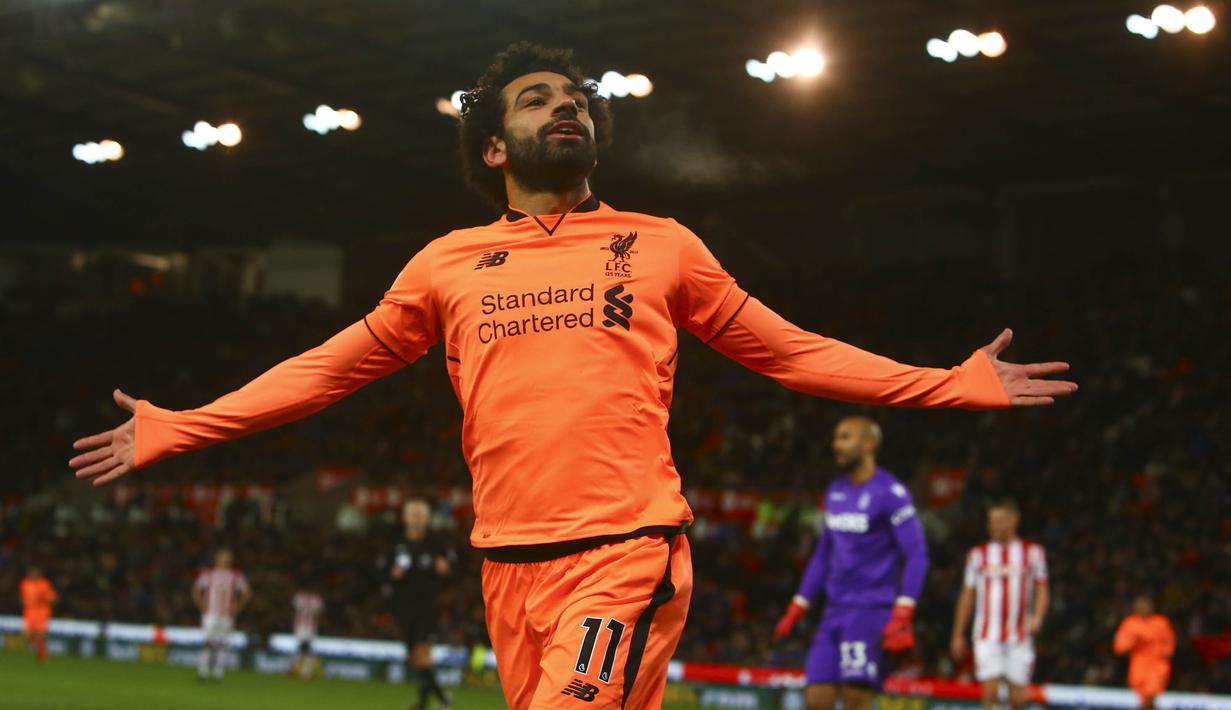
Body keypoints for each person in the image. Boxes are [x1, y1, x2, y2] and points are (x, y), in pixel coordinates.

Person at [69, 42, 1076, 709]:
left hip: (624, 547)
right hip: (507, 564)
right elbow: (328, 367)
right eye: (540, 99)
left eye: (577, 98)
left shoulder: (661, 244)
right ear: (495, 144)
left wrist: (948, 382)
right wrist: (184, 423)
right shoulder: (445, 263)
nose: (570, 106)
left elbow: (790, 347)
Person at [772, 417, 928, 710]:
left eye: (845, 438)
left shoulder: (891, 493)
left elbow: (917, 553)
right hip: (834, 611)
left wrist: (905, 608)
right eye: (836, 438)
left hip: (871, 610)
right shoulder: (835, 491)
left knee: (856, 699)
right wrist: (800, 603)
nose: (836, 445)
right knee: (816, 699)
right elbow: (823, 553)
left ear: (869, 444)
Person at [950, 499, 1049, 710]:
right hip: (987, 634)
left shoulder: (1033, 553)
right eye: (991, 521)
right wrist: (958, 633)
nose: (994, 526)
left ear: (1014, 521)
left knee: (1018, 700)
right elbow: (967, 595)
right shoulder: (977, 555)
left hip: (1020, 635)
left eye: (1000, 520)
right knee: (990, 694)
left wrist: (1038, 616)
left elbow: (1042, 588)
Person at [384, 499, 452, 710]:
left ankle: (438, 700)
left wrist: (445, 569)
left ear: (427, 518)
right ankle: (435, 699)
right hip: (404, 607)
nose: (416, 518)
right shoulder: (396, 544)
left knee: (422, 653)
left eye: (420, 514)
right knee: (415, 658)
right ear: (405, 518)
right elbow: (382, 572)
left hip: (427, 606)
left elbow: (450, 573)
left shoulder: (435, 545)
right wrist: (392, 575)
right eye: (412, 514)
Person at [192, 548, 251, 681]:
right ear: (217, 559)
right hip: (211, 613)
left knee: (222, 643)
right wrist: (203, 606)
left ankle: (218, 672)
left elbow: (246, 592)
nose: (225, 559)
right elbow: (196, 589)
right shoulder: (208, 574)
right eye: (223, 557)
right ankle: (203, 671)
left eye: (227, 557)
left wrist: (237, 607)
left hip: (226, 615)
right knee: (207, 642)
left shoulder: (236, 576)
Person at [1114, 595, 1175, 710]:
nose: (1143, 608)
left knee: (1150, 695)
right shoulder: (1129, 623)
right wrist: (1134, 640)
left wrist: (1165, 652)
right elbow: (1119, 648)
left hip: (1157, 666)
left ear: (1152, 607)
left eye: (1146, 605)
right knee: (1144, 701)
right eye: (1140, 606)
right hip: (1138, 667)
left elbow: (1169, 645)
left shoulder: (1161, 622)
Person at [20, 566, 57, 661]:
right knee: (26, 635)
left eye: (35, 572)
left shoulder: (44, 584)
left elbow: (53, 598)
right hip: (29, 611)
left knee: (40, 634)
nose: (33, 574)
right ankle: (42, 649)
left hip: (41, 611)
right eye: (31, 572)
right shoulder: (25, 583)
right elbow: (24, 597)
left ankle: (43, 653)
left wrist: (43, 599)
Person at [290, 582, 324, 680]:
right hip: (309, 626)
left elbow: (294, 610)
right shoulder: (317, 599)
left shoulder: (299, 596)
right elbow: (319, 614)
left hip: (301, 626)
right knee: (305, 648)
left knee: (303, 647)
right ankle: (302, 670)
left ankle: (300, 670)